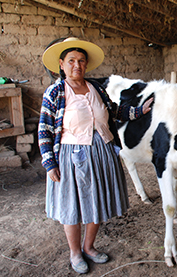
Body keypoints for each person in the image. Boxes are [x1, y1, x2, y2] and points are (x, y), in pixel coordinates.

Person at [39, 37, 153, 274]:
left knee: (96, 202)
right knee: (72, 205)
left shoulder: (96, 88)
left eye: (81, 61)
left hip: (101, 151)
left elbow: (115, 111)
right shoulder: (55, 93)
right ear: (61, 64)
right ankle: (75, 252)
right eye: (71, 61)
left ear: (86, 64)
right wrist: (50, 163)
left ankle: (89, 247)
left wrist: (139, 110)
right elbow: (45, 129)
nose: (76, 65)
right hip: (71, 155)